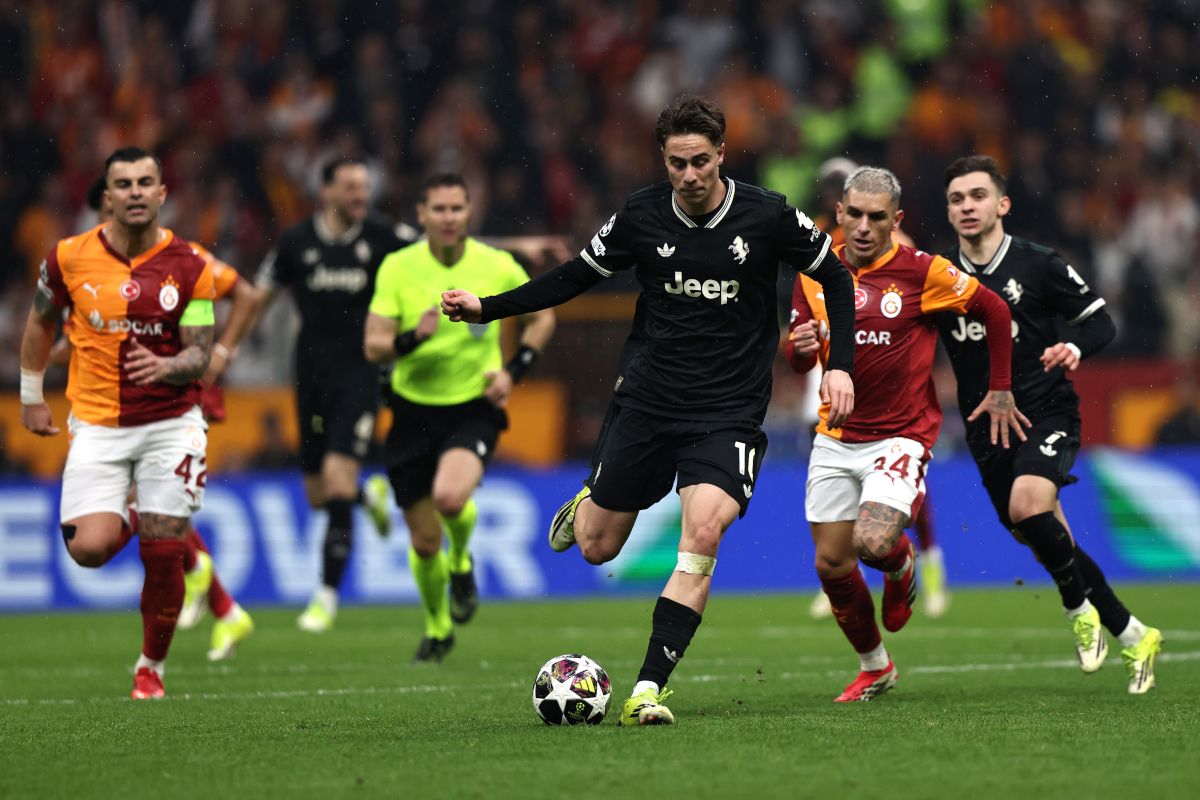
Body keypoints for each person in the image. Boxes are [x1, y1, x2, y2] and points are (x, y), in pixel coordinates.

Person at [442, 94, 857, 725]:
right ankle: (589, 499)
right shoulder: (641, 214)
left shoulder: (768, 214)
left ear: (721, 155)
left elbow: (838, 278)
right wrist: (488, 308)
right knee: (596, 547)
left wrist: (841, 364)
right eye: (676, 163)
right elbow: (574, 276)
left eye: (699, 161)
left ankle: (647, 689)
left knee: (703, 533)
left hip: (727, 411)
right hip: (648, 400)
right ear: (663, 161)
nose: (688, 175)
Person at [786, 166, 1020, 701]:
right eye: (855, 215)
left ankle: (902, 564)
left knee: (872, 543)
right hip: (835, 434)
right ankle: (876, 667)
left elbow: (994, 309)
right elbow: (799, 360)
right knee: (830, 563)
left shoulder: (922, 272)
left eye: (877, 217)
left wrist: (1001, 387)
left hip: (900, 435)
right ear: (839, 213)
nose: (864, 227)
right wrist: (798, 350)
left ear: (897, 220)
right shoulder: (813, 273)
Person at [938, 155, 1162, 694]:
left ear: (1002, 204)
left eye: (978, 196)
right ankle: (1133, 633)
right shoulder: (938, 277)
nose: (967, 206)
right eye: (956, 199)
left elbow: (1102, 322)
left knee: (1027, 506)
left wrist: (1074, 347)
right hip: (986, 428)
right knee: (1041, 536)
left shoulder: (1038, 264)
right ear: (948, 212)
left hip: (1047, 411)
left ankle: (1075, 608)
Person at [18, 147, 216, 699]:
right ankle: (135, 512)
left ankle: (151, 667)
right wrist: (32, 396)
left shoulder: (192, 265)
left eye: (145, 182)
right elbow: (39, 322)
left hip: (171, 421)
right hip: (98, 423)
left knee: (163, 550)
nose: (135, 193)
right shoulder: (67, 257)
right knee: (87, 550)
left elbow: (201, 352)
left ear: (162, 193)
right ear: (107, 197)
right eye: (123, 184)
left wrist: (168, 366)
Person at [51, 177, 260, 660]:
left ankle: (203, 579)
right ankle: (224, 606)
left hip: (166, 400)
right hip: (112, 406)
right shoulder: (87, 266)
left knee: (150, 501)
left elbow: (246, 295)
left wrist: (222, 353)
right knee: (153, 502)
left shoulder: (184, 259)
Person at [364, 173, 556, 662]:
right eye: (439, 209)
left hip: (473, 406)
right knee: (425, 542)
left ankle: (463, 562)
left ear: (470, 213)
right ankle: (438, 628)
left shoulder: (496, 264)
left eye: (456, 208)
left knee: (450, 498)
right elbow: (373, 346)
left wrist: (514, 371)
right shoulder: (398, 268)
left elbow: (543, 316)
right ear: (421, 215)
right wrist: (413, 338)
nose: (448, 218)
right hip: (411, 409)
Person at [253, 156, 412, 632]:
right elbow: (257, 295)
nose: (361, 196)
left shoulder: (383, 236)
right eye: (351, 188)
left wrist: (520, 246)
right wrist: (224, 344)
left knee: (337, 480)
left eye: (364, 187)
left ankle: (325, 597)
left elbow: (447, 247)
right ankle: (368, 496)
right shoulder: (296, 243)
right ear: (326, 192)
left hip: (361, 374)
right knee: (320, 494)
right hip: (310, 376)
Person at [801, 159, 948, 621]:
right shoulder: (819, 244)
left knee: (897, 492)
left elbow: (920, 307)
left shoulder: (899, 248)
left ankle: (927, 562)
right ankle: (843, 567)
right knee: (834, 475)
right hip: (832, 369)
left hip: (889, 382)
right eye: (831, 189)